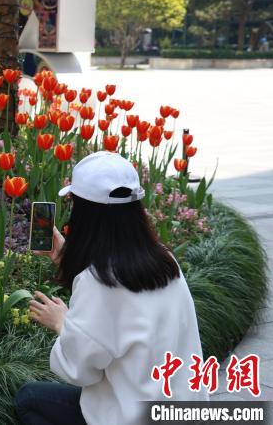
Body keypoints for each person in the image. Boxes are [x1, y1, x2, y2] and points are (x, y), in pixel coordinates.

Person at [15, 151, 208, 425]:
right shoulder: (164, 260)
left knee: (30, 399)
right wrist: (68, 261)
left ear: (84, 213)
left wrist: (62, 322)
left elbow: (80, 370)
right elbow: (116, 312)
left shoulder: (98, 281)